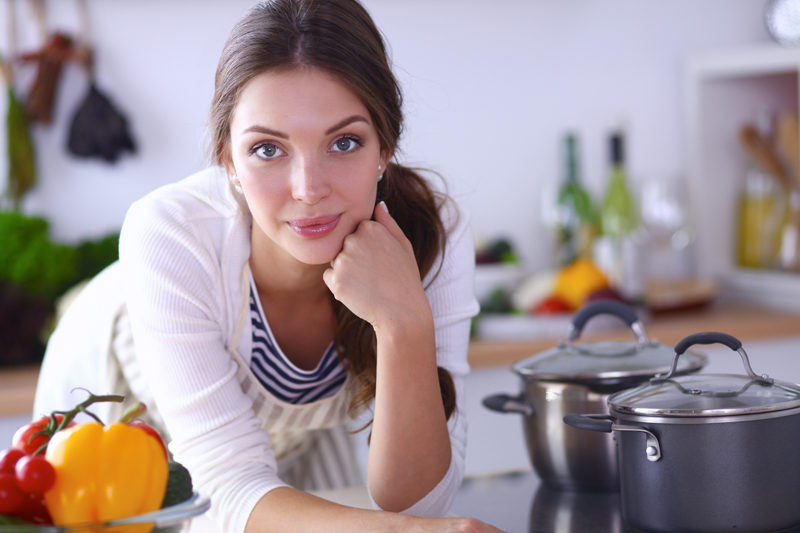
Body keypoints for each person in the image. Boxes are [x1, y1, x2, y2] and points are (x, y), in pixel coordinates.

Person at [35, 1, 504, 531]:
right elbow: (224, 488)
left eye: (344, 142)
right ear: (228, 161)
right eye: (267, 150)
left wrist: (403, 325)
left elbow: (419, 503)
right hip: (118, 428)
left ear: (385, 147)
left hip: (282, 454)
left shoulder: (432, 231)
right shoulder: (171, 234)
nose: (309, 189)